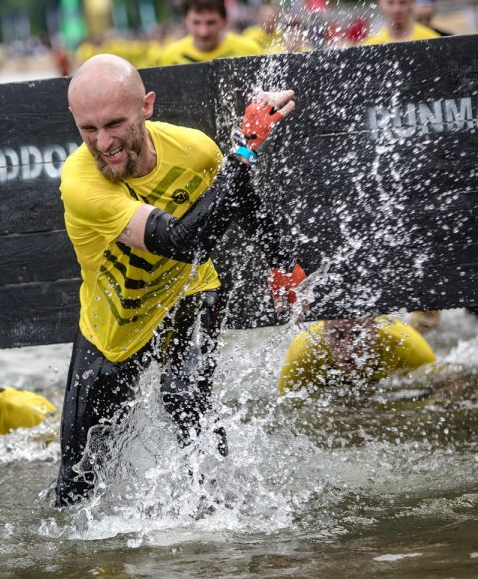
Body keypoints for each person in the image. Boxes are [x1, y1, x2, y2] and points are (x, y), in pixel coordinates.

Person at [55, 53, 306, 505]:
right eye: (88, 130)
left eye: (115, 124)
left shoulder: (195, 149)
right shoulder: (79, 181)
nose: (104, 143)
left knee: (184, 396)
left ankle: (225, 509)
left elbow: (238, 196)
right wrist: (245, 150)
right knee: (75, 484)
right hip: (113, 326)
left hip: (187, 291)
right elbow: (179, 240)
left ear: (146, 107)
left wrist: (281, 262)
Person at [278, 316, 435, 393]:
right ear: (325, 333)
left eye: (357, 334)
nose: (348, 349)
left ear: (375, 330)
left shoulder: (408, 346)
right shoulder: (304, 352)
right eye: (337, 336)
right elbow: (287, 408)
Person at [157, 0, 263, 66]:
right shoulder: (170, 57)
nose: (204, 32)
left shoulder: (250, 51)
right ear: (185, 20)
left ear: (224, 20)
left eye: (211, 22)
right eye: (196, 22)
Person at [362, 0, 441, 45]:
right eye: (390, 2)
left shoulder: (432, 41)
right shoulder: (370, 46)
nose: (396, 9)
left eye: (402, 2)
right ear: (379, 3)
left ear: (412, 2)